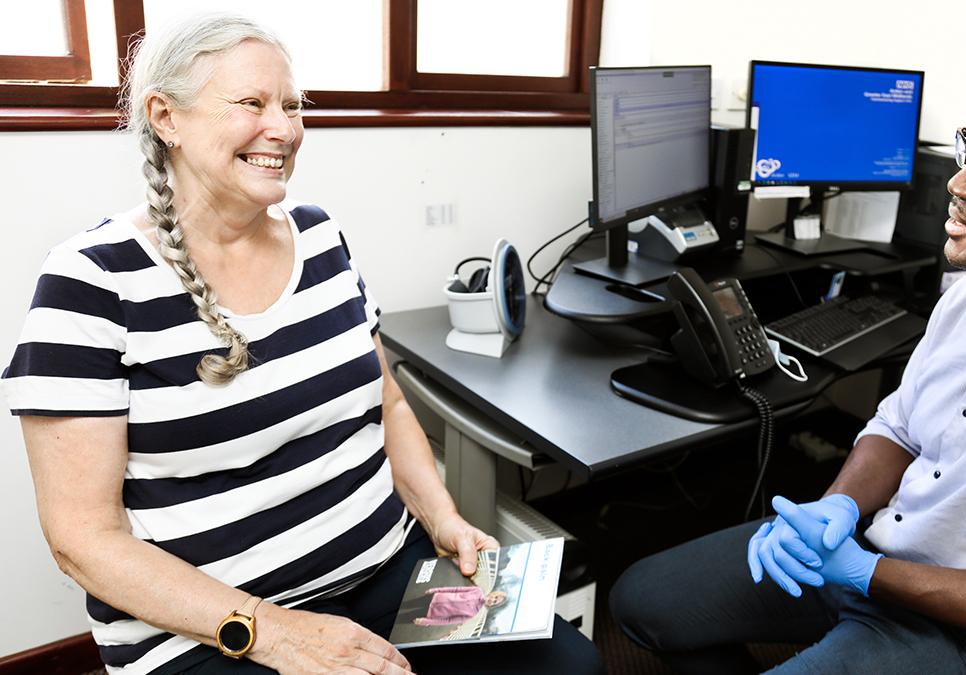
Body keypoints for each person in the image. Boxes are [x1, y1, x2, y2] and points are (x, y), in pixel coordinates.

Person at [1, 13, 603, 675]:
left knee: (572, 667)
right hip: (211, 627)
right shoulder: (89, 281)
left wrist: (444, 518)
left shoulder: (321, 237)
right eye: (251, 103)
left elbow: (391, 404)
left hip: (382, 573)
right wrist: (277, 634)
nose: (284, 129)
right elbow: (82, 539)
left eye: (292, 105)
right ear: (165, 117)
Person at [610, 65, 966, 674]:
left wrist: (872, 575)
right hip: (875, 542)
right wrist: (835, 508)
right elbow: (901, 425)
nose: (957, 184)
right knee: (641, 601)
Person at [395, 586, 507, 628]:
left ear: (492, 606)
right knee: (405, 604)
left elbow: (447, 621)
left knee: (401, 618)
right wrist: (435, 590)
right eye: (495, 597)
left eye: (495, 602)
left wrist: (426, 621)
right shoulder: (477, 590)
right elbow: (455, 589)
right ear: (494, 593)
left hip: (429, 613)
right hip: (433, 597)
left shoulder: (472, 613)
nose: (493, 600)